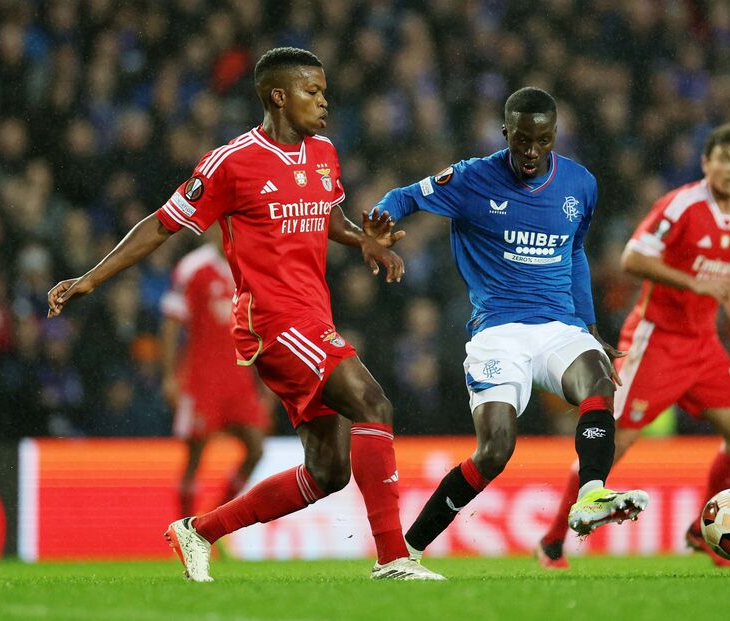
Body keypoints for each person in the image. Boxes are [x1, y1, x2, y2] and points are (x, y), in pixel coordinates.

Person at [47, 47, 444, 582]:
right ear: (278, 96)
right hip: (274, 322)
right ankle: (394, 558)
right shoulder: (231, 163)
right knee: (373, 402)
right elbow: (161, 224)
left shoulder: (324, 152)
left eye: (324, 90)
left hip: (313, 316)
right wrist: (90, 277)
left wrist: (362, 242)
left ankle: (198, 531)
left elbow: (329, 214)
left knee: (327, 472)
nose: (325, 101)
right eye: (313, 91)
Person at [369, 87, 649, 563]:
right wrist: (380, 224)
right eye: (522, 141)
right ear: (506, 133)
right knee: (495, 450)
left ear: (555, 135)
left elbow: (576, 252)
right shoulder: (472, 177)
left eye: (542, 141)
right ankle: (405, 551)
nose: (532, 152)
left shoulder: (580, 184)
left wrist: (588, 323)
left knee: (599, 378)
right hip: (498, 331)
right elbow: (405, 197)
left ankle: (592, 494)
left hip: (560, 326)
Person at [537, 122, 730, 569]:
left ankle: (703, 531)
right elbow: (632, 257)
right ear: (706, 162)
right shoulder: (681, 205)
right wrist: (693, 282)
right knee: (612, 447)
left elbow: (729, 270)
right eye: (724, 158)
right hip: (656, 342)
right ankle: (552, 541)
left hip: (704, 347)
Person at [159, 235, 271, 518]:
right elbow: (171, 323)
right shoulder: (193, 267)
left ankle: (212, 522)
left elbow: (260, 329)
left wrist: (267, 382)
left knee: (256, 448)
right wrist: (170, 376)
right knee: (195, 456)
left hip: (239, 377)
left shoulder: (251, 268)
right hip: (201, 377)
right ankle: (184, 531)